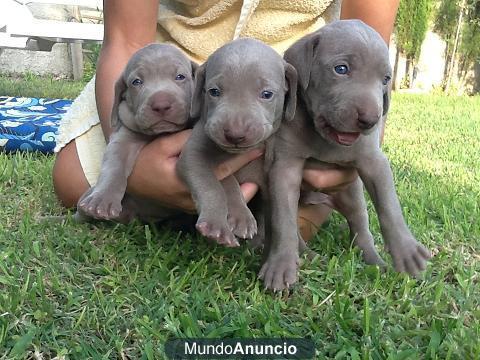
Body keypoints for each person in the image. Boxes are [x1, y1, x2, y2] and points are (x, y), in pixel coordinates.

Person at [52, 0, 399, 240]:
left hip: (289, 92)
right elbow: (127, 41)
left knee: (286, 219)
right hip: (178, 71)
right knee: (74, 181)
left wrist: (347, 153)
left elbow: (371, 59)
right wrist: (133, 166)